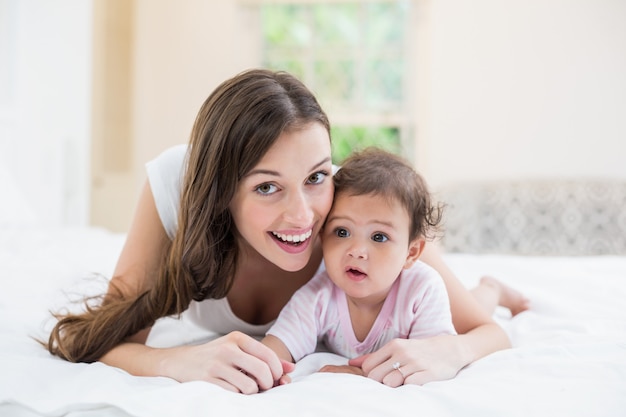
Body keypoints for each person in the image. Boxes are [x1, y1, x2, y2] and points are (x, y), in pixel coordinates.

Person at [45, 68, 527, 394]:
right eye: (268, 187)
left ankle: (489, 286)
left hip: (392, 307)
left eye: (316, 176)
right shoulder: (176, 183)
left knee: (464, 301)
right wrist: (176, 363)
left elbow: (486, 333)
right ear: (221, 191)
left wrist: (451, 351)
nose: (304, 215)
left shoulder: (348, 211)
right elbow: (103, 340)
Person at [262, 148, 456, 387]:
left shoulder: (423, 289)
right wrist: (264, 368)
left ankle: (492, 289)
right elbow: (277, 346)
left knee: (481, 303)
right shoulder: (318, 296)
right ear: (322, 237)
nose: (357, 250)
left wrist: (363, 374)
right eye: (342, 232)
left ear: (411, 252)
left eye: (379, 237)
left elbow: (427, 362)